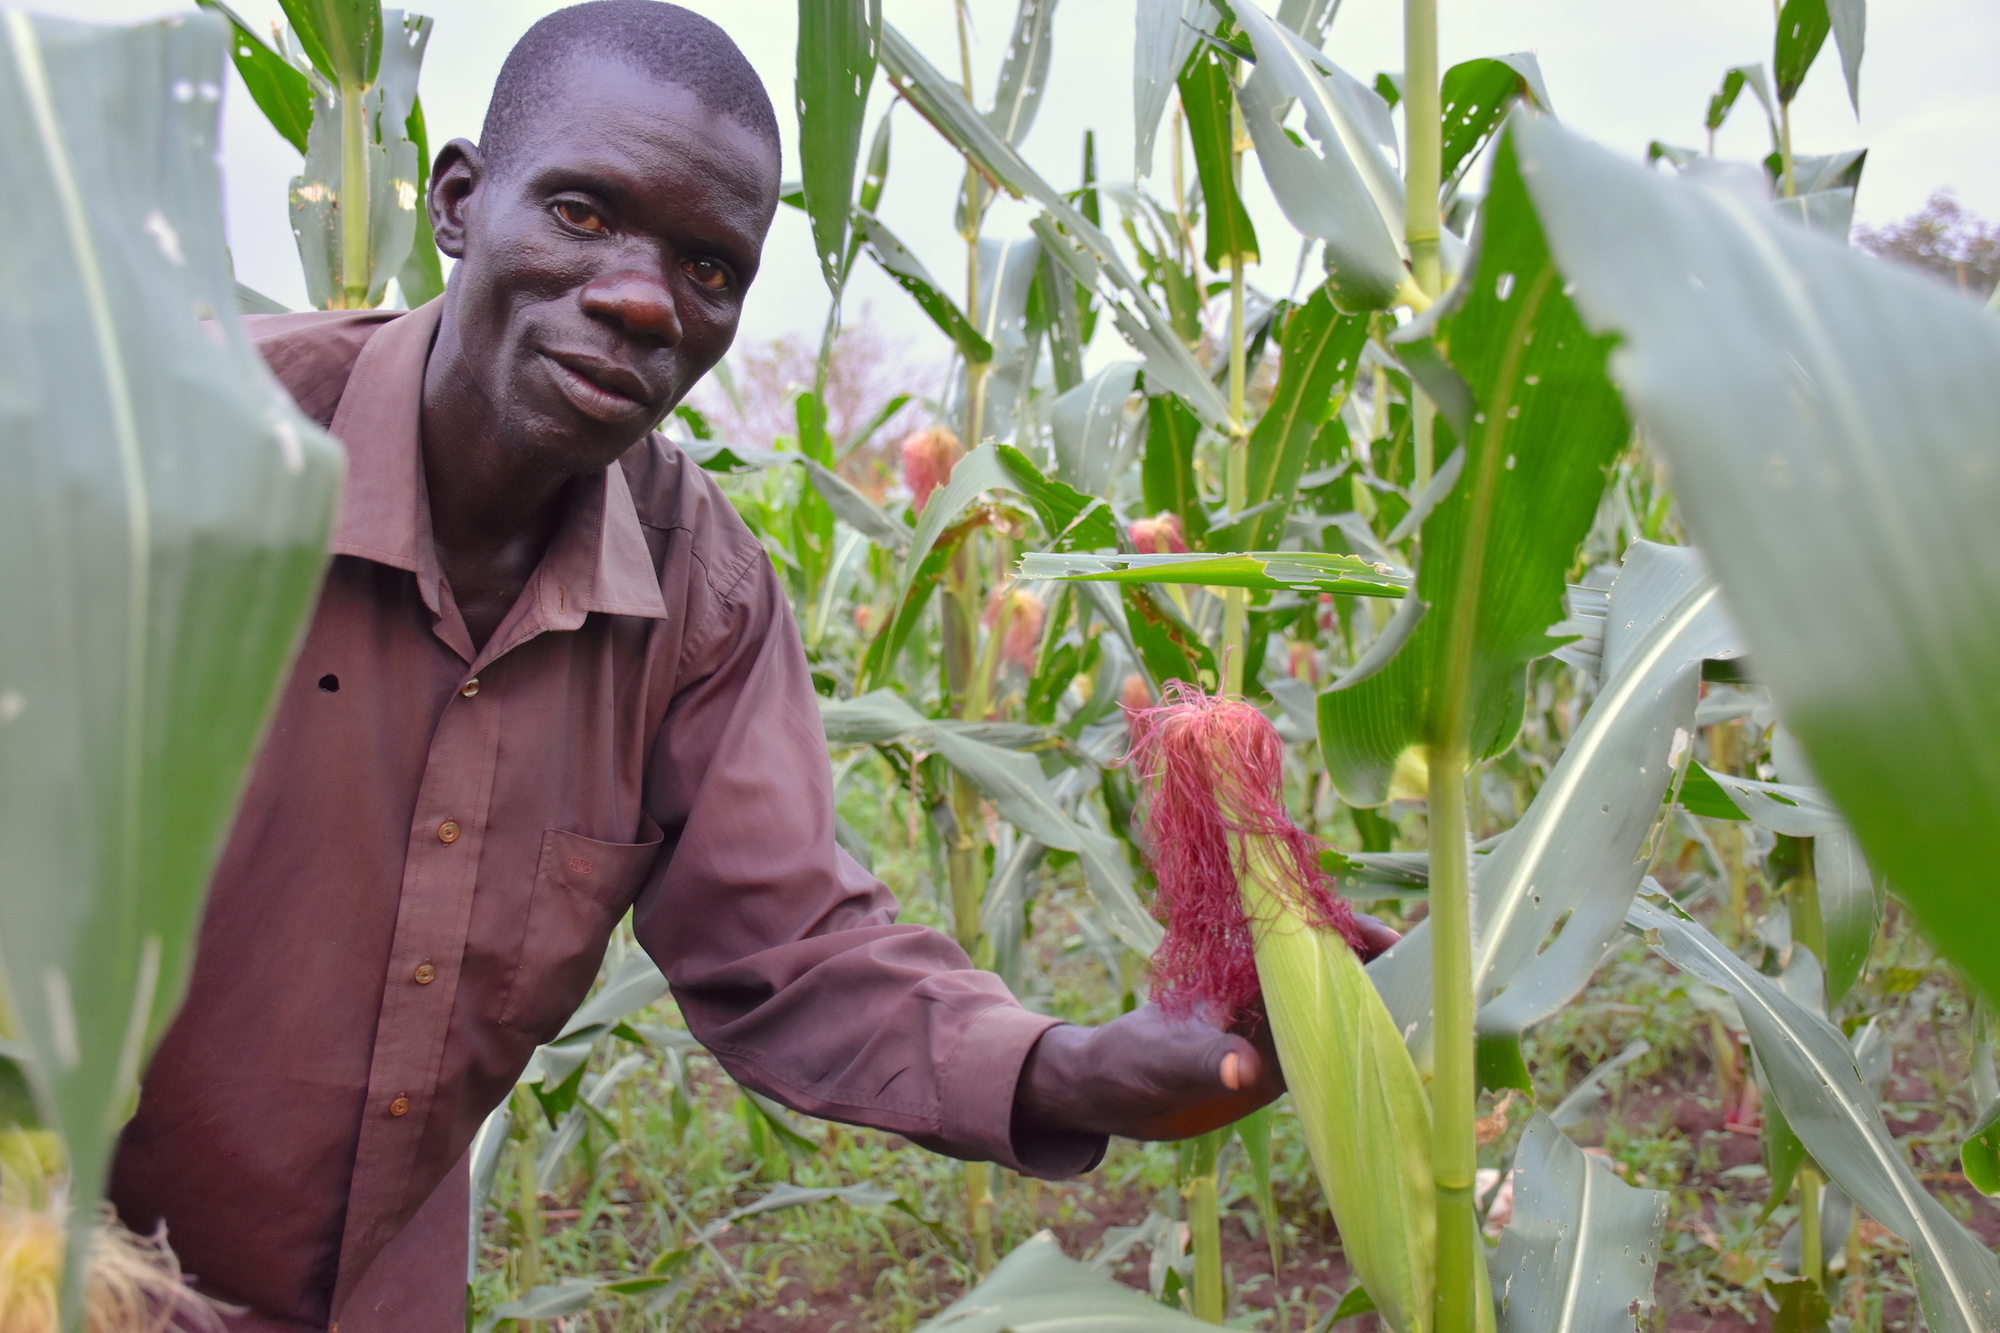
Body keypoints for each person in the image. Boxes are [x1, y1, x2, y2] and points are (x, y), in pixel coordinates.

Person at [110, 5, 1394, 1329]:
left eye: (710, 268)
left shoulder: (698, 601)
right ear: (457, 202)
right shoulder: (154, 452)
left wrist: (1076, 1070)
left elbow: (789, 946)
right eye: (585, 215)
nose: (642, 300)